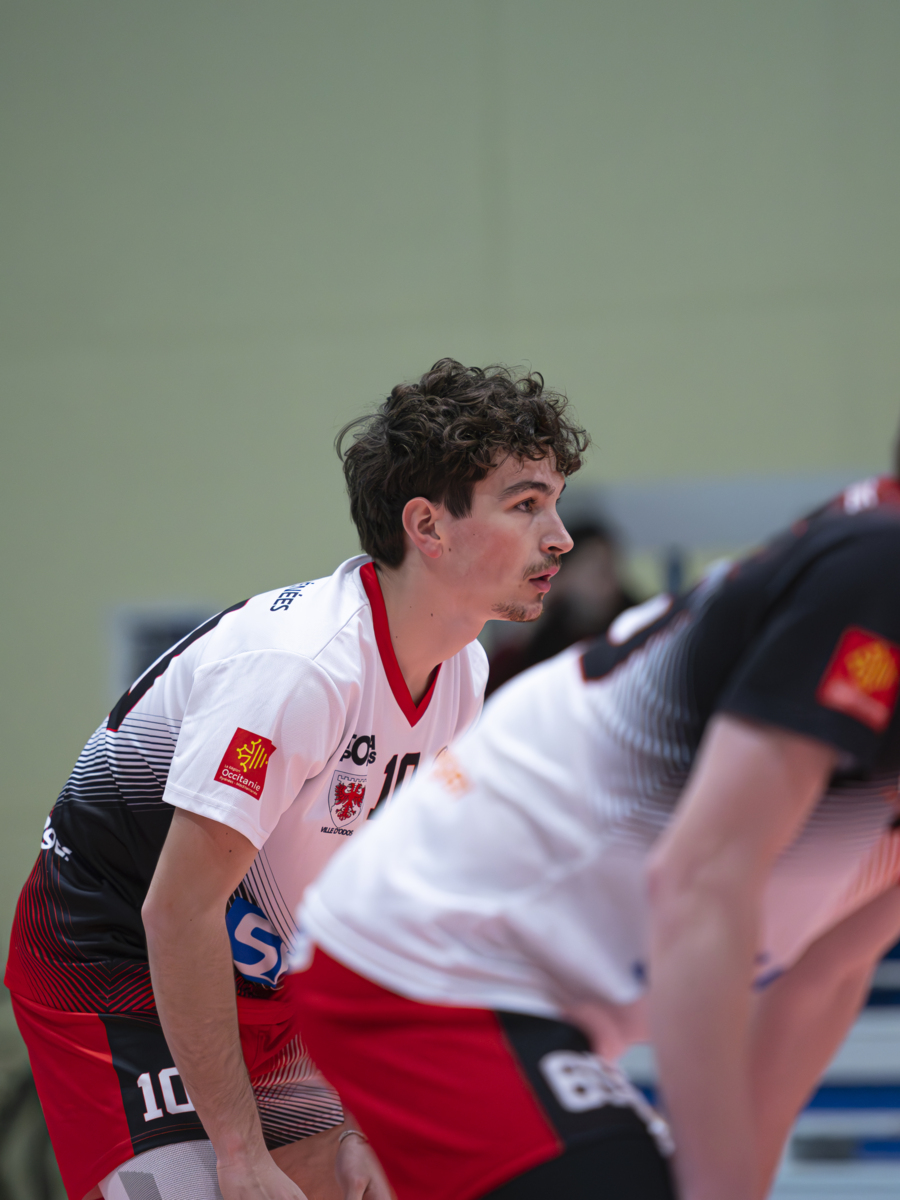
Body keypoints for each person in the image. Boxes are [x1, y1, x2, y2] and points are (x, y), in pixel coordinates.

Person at [4, 358, 588, 1200]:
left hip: (268, 972)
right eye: (527, 504)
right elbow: (178, 911)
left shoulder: (464, 670)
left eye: (556, 503)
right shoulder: (299, 670)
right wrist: (240, 1153)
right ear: (428, 526)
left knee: (377, 1174)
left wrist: (377, 1106)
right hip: (116, 960)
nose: (560, 536)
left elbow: (404, 906)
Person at [291, 469, 900, 1200]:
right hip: (426, 958)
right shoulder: (877, 568)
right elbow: (699, 884)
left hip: (534, 992)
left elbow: (826, 973)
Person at [485, 518, 638, 695]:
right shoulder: (549, 636)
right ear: (564, 576)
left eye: (610, 568)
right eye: (596, 570)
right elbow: (496, 689)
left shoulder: (633, 624)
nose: (607, 581)